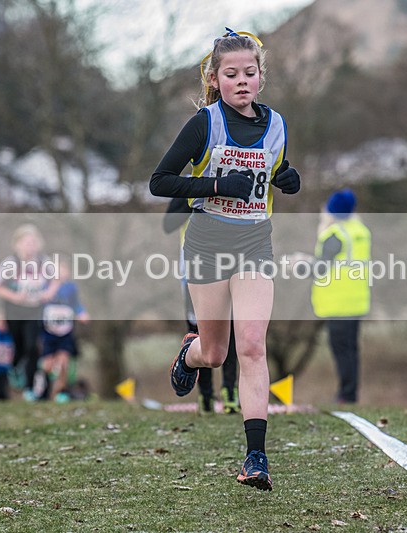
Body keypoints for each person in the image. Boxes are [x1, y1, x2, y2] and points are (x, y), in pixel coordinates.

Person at [150, 28, 300, 491]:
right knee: (215, 353)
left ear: (260, 77)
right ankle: (188, 354)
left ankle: (256, 457)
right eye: (231, 74)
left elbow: (270, 169)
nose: (241, 81)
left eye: (249, 73)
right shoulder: (204, 124)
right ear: (214, 79)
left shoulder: (276, 124)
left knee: (252, 346)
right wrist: (215, 186)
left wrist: (286, 177)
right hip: (208, 243)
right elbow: (161, 182)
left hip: (255, 243)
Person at [163, 198, 240, 415]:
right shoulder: (186, 186)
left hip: (229, 267)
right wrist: (193, 199)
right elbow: (168, 224)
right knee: (200, 332)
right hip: (193, 272)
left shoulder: (228, 178)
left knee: (231, 329)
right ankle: (205, 395)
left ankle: (230, 393)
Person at [310, 189, 371, 404]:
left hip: (337, 302)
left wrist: (297, 264)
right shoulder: (360, 230)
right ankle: (350, 392)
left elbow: (319, 267)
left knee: (341, 351)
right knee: (351, 350)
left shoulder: (334, 235)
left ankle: (346, 395)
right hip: (357, 300)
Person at [0, 224, 59, 401]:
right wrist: (14, 296)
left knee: (32, 345)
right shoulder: (11, 262)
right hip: (14, 310)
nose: (30, 246)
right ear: (18, 244)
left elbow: (56, 279)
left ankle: (29, 387)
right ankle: (14, 368)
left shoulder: (44, 261)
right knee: (18, 345)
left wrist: (48, 293)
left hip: (35, 309)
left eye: (33, 242)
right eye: (26, 242)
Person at [39, 254, 90, 404]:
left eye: (62, 270)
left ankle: (58, 393)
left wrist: (82, 313)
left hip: (66, 331)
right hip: (49, 332)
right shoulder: (45, 285)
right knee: (48, 365)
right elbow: (40, 301)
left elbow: (76, 304)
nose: (60, 273)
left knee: (63, 363)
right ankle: (44, 386)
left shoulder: (70, 288)